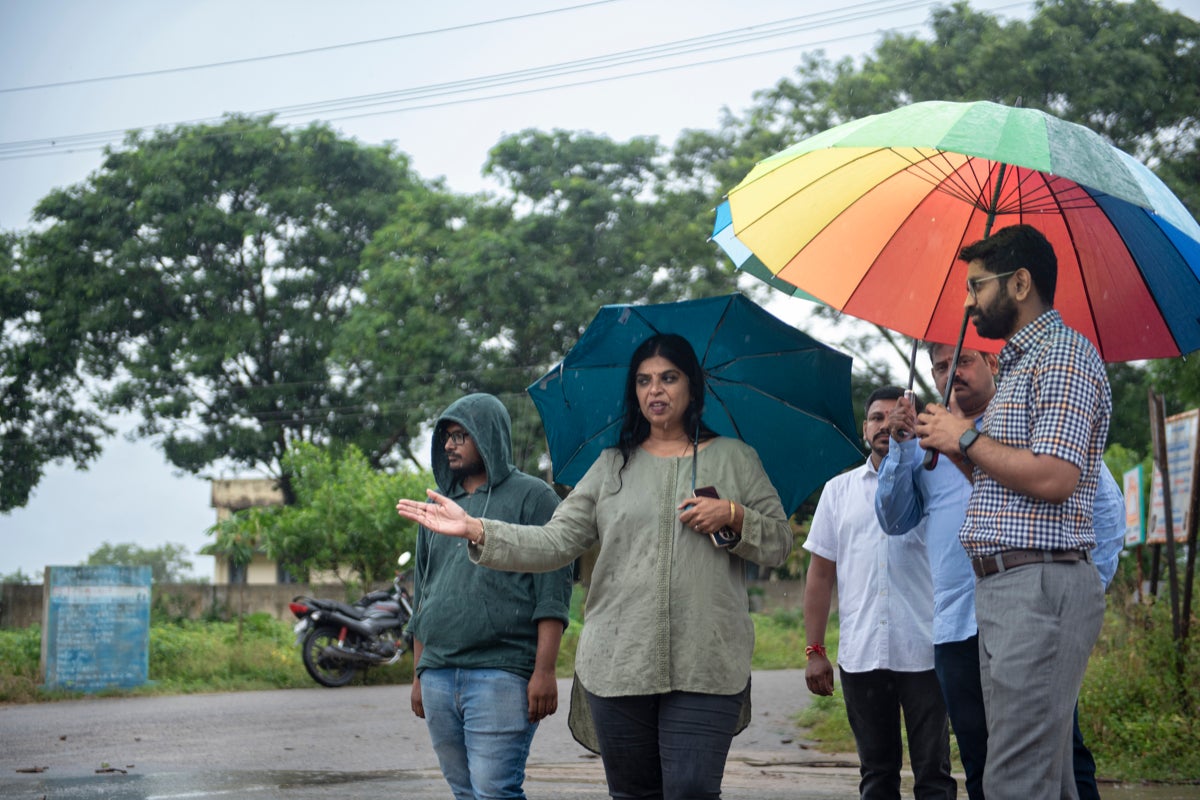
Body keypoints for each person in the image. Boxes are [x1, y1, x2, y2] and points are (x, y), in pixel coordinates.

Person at [397, 333, 793, 800]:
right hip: (619, 661)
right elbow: (554, 541)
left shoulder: (736, 459)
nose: (656, 391)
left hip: (706, 658)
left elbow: (780, 543)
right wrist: (479, 529)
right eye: (644, 381)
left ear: (693, 387)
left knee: (691, 789)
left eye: (669, 378)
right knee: (632, 793)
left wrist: (734, 515)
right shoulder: (612, 466)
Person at [915, 224, 1112, 800]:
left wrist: (968, 438)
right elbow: (1002, 486)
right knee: (1043, 780)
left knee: (1014, 781)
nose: (969, 301)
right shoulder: (1020, 367)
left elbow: (1055, 477)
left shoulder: (1064, 358)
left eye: (978, 286)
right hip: (1006, 589)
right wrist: (955, 446)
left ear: (1020, 283)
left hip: (1039, 585)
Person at [877, 343, 1125, 800]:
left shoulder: (1024, 422)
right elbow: (894, 521)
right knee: (979, 756)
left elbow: (1107, 514)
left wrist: (1080, 592)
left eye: (963, 361)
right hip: (956, 621)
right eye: (941, 366)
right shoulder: (923, 435)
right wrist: (898, 447)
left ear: (993, 364)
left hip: (1030, 610)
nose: (952, 373)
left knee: (1056, 751)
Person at [405, 393, 574, 800]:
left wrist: (544, 671)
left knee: (495, 791)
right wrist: (418, 674)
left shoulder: (534, 498)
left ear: (491, 436)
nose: (450, 445)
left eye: (462, 435)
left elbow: (552, 595)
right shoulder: (440, 507)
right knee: (464, 792)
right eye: (447, 436)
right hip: (439, 674)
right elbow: (423, 594)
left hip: (501, 674)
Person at [803, 385, 956, 800]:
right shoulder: (839, 492)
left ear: (914, 423)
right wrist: (814, 649)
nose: (887, 424)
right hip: (863, 655)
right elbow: (819, 575)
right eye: (877, 418)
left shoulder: (935, 482)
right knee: (876, 776)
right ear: (864, 429)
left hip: (926, 651)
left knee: (935, 775)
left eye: (897, 416)